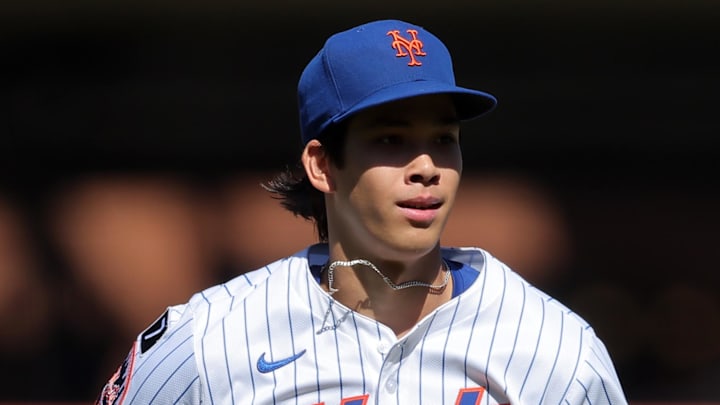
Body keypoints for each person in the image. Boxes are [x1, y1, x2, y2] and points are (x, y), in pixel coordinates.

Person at [96, 19, 627, 404]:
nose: (427, 167)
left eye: (444, 139)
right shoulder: (211, 339)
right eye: (391, 139)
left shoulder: (554, 345)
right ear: (323, 165)